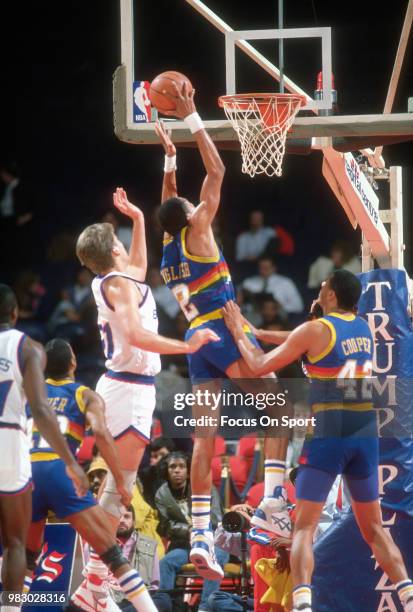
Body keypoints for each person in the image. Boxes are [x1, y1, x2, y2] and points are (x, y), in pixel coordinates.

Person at [155, 87, 293, 581]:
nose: (198, 205)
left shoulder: (169, 243)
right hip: (221, 324)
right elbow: (217, 172)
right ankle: (276, 505)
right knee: (278, 405)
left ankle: (199, 537)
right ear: (193, 216)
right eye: (193, 206)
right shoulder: (196, 230)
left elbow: (168, 204)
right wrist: (192, 115)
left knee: (202, 439)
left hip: (197, 341)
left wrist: (169, 162)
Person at [222, 269, 413, 612]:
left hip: (331, 431)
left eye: (324, 286)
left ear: (331, 295)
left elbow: (258, 363)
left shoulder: (314, 330)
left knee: (303, 530)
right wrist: (262, 331)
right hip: (365, 433)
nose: (320, 289)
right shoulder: (364, 327)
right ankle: (408, 595)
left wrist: (239, 331)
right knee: (374, 530)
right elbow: (304, 337)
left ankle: (302, 605)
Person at [73, 187, 219, 605]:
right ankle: (96, 581)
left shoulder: (116, 279)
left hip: (125, 386)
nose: (125, 244)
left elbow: (137, 266)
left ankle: (96, 578)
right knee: (121, 490)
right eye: (119, 236)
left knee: (117, 491)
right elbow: (137, 335)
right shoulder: (118, 287)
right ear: (113, 249)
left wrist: (138, 219)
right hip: (127, 389)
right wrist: (187, 346)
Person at [25, 337, 158, 611]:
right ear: (73, 362)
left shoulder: (29, 394)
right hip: (59, 470)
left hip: (27, 476)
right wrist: (121, 482)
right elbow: (100, 432)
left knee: (24, 560)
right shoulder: (83, 393)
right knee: (111, 553)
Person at [0, 285, 88, 609]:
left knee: (18, 547)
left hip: (21, 454)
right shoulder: (28, 348)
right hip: (23, 453)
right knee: (16, 545)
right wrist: (74, 463)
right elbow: (42, 409)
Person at [155, 451, 227, 611]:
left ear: (188, 470)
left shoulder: (206, 487)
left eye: (181, 466)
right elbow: (165, 526)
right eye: (172, 466)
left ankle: (205, 608)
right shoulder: (162, 493)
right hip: (183, 546)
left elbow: (216, 518)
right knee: (165, 563)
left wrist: (199, 531)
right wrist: (187, 531)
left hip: (212, 543)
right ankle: (163, 605)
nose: (177, 470)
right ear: (166, 471)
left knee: (216, 558)